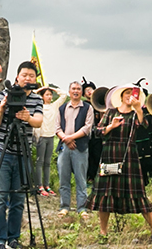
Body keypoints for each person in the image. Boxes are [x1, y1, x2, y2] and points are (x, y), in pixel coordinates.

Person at [87, 86, 152, 243]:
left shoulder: (136, 113)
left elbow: (145, 126)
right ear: (120, 97)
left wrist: (139, 109)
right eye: (127, 93)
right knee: (104, 194)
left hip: (129, 157)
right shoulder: (110, 112)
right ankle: (103, 232)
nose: (130, 96)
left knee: (138, 193)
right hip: (109, 154)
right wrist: (111, 126)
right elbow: (97, 132)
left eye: (132, 94)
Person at [0, 61, 44, 249]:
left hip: (22, 151)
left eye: (31, 76)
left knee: (19, 199)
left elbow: (38, 122)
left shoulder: (36, 99)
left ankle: (13, 238)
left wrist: (28, 118)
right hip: (0, 151)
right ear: (17, 76)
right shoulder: (3, 94)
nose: (28, 78)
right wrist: (3, 108)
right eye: (24, 75)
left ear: (35, 79)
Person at [55, 81, 94, 217]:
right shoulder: (62, 108)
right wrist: (66, 139)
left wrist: (71, 137)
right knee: (63, 179)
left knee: (81, 179)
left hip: (80, 147)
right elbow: (57, 128)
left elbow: (87, 128)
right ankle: (64, 206)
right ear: (69, 91)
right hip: (64, 147)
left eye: (78, 89)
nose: (76, 91)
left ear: (81, 92)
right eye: (73, 89)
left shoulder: (87, 108)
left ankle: (82, 208)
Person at [34, 86, 67, 196]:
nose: (49, 96)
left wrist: (51, 88)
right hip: (41, 136)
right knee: (40, 162)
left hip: (51, 136)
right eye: (46, 94)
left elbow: (63, 95)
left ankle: (47, 185)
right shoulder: (39, 107)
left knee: (47, 163)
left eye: (50, 94)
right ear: (42, 96)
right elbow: (31, 94)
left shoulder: (54, 106)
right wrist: (41, 88)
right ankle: (39, 186)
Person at [82, 80, 104, 186]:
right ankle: (89, 176)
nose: (89, 92)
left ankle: (97, 175)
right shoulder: (84, 105)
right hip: (87, 134)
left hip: (98, 134)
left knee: (98, 154)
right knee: (89, 155)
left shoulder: (99, 103)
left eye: (90, 89)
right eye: (86, 91)